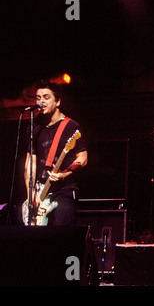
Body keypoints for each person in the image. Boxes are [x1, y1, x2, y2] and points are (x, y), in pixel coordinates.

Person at [23, 79, 87, 226]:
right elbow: (29, 165)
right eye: (38, 98)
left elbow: (83, 159)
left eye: (46, 97)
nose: (41, 102)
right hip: (39, 191)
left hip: (63, 190)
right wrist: (30, 194)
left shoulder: (71, 127)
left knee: (60, 232)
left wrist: (64, 174)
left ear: (57, 101)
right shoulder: (37, 129)